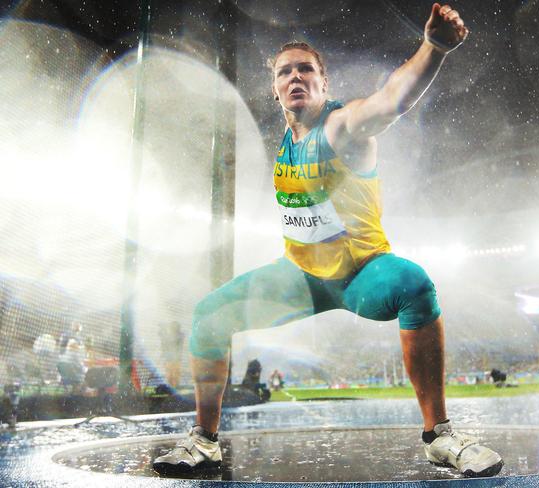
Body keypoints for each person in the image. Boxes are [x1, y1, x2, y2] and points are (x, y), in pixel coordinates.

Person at [153, 3, 503, 478]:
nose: (295, 77)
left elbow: (389, 102)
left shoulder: (341, 126)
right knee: (208, 315)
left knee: (414, 283)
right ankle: (204, 442)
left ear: (324, 83)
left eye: (306, 69)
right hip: (301, 275)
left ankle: (438, 435)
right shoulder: (286, 140)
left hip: (362, 275)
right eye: (284, 72)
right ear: (276, 89)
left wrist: (434, 47)